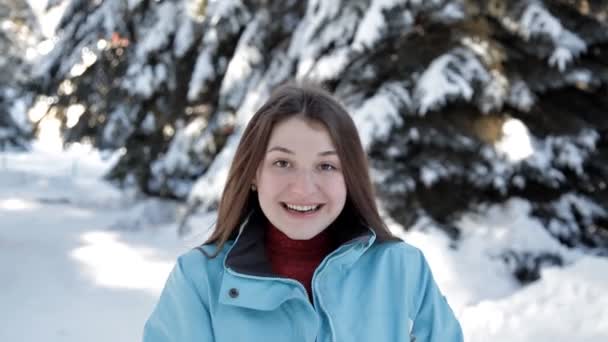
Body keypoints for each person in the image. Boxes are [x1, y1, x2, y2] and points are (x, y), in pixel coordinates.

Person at [143, 83, 464, 341]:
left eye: (326, 166)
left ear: (349, 177)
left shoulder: (401, 269)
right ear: (254, 173)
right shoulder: (199, 280)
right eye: (283, 163)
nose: (304, 188)